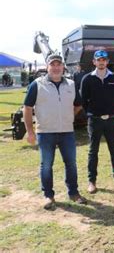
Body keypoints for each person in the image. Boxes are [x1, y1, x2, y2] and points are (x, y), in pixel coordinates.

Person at [23, 54, 86, 210]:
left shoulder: (71, 84)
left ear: (63, 67)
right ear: (48, 66)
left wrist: (69, 115)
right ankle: (48, 196)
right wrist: (30, 132)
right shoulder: (37, 84)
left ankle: (74, 193)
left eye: (59, 64)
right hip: (45, 132)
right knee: (46, 165)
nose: (56, 67)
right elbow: (27, 108)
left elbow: (78, 104)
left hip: (67, 132)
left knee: (71, 164)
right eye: (53, 64)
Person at [80, 50, 114, 194]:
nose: (101, 62)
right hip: (94, 120)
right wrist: (92, 113)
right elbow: (83, 101)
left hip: (111, 120)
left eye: (104, 60)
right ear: (94, 62)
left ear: (107, 62)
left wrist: (113, 112)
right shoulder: (87, 79)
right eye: (98, 60)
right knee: (93, 151)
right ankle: (92, 181)